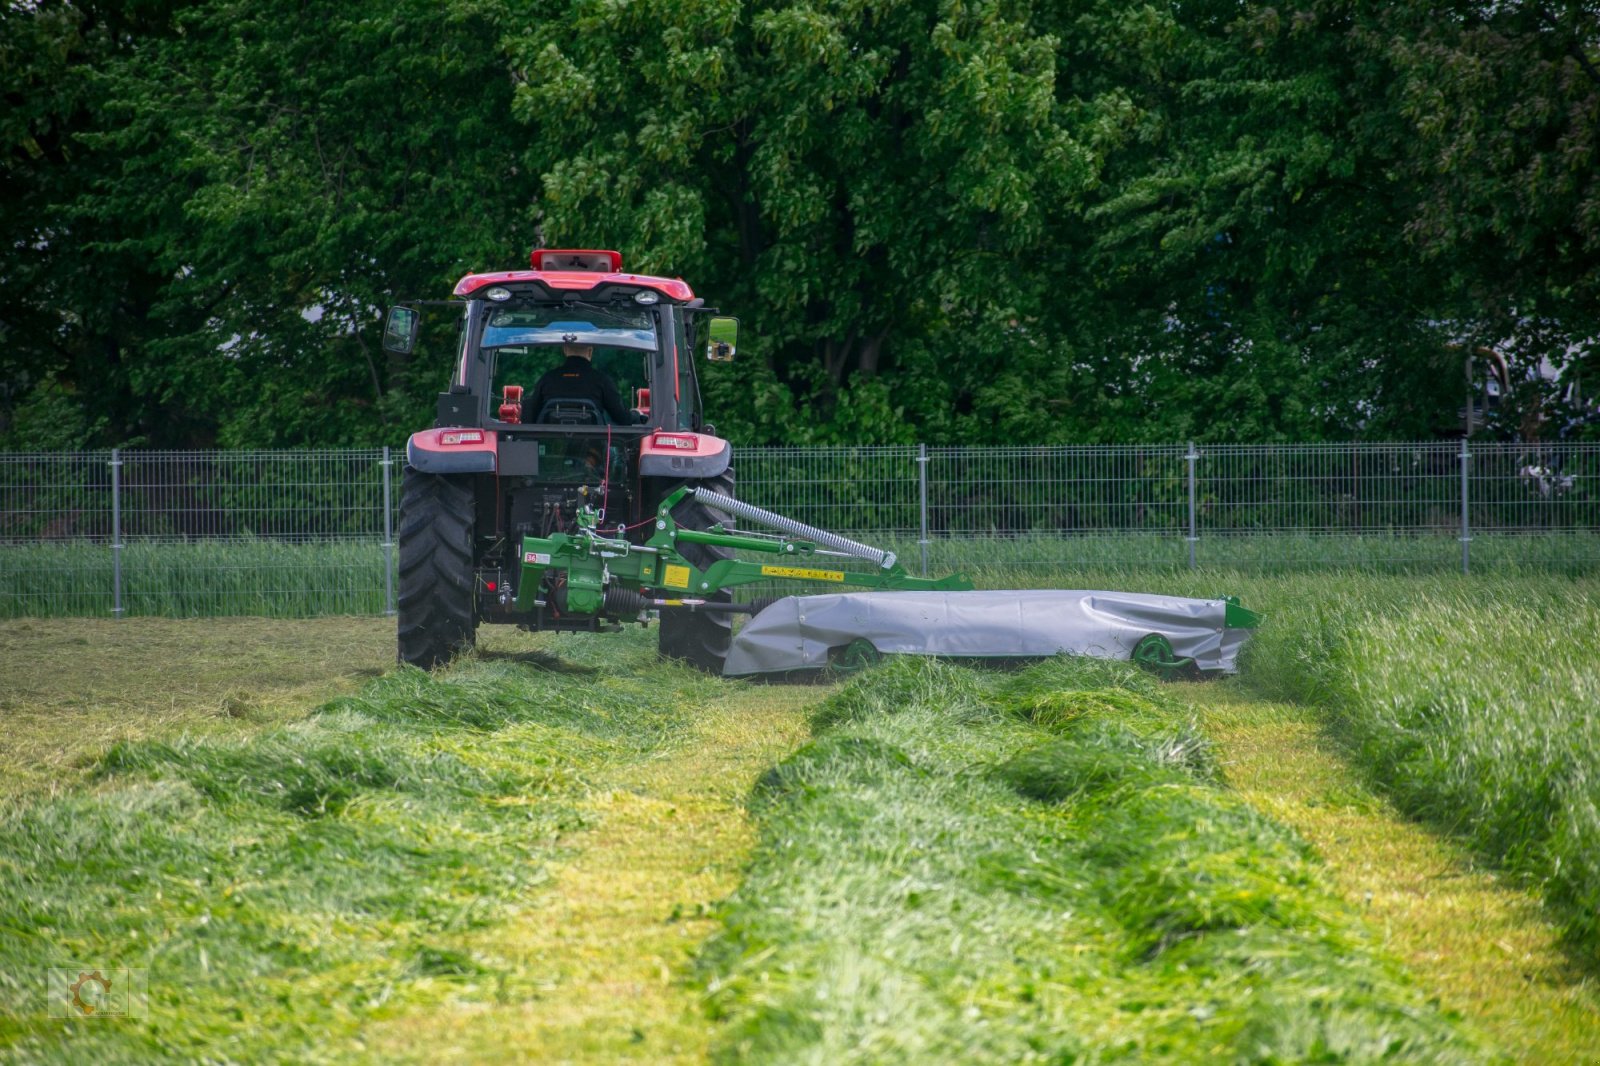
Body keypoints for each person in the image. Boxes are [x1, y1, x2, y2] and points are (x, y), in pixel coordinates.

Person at [528, 343, 634, 424]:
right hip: (593, 450)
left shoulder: (547, 379)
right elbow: (623, 419)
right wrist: (637, 415)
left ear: (565, 350)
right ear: (590, 351)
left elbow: (529, 416)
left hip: (549, 448)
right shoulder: (602, 380)